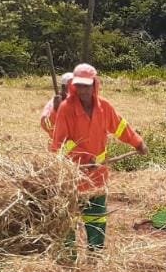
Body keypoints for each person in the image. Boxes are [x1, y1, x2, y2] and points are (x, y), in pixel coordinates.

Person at [48, 63, 146, 251]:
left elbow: (120, 127)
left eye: (87, 85)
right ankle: (69, 259)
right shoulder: (66, 109)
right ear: (73, 86)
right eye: (79, 86)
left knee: (96, 217)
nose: (83, 90)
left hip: (97, 175)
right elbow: (59, 142)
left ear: (95, 84)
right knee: (68, 218)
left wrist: (138, 142)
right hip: (72, 175)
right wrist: (80, 159)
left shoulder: (104, 107)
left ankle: (96, 256)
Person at [39, 72, 74, 137]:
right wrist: (55, 110)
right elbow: (46, 124)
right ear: (64, 87)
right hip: (61, 143)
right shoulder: (53, 103)